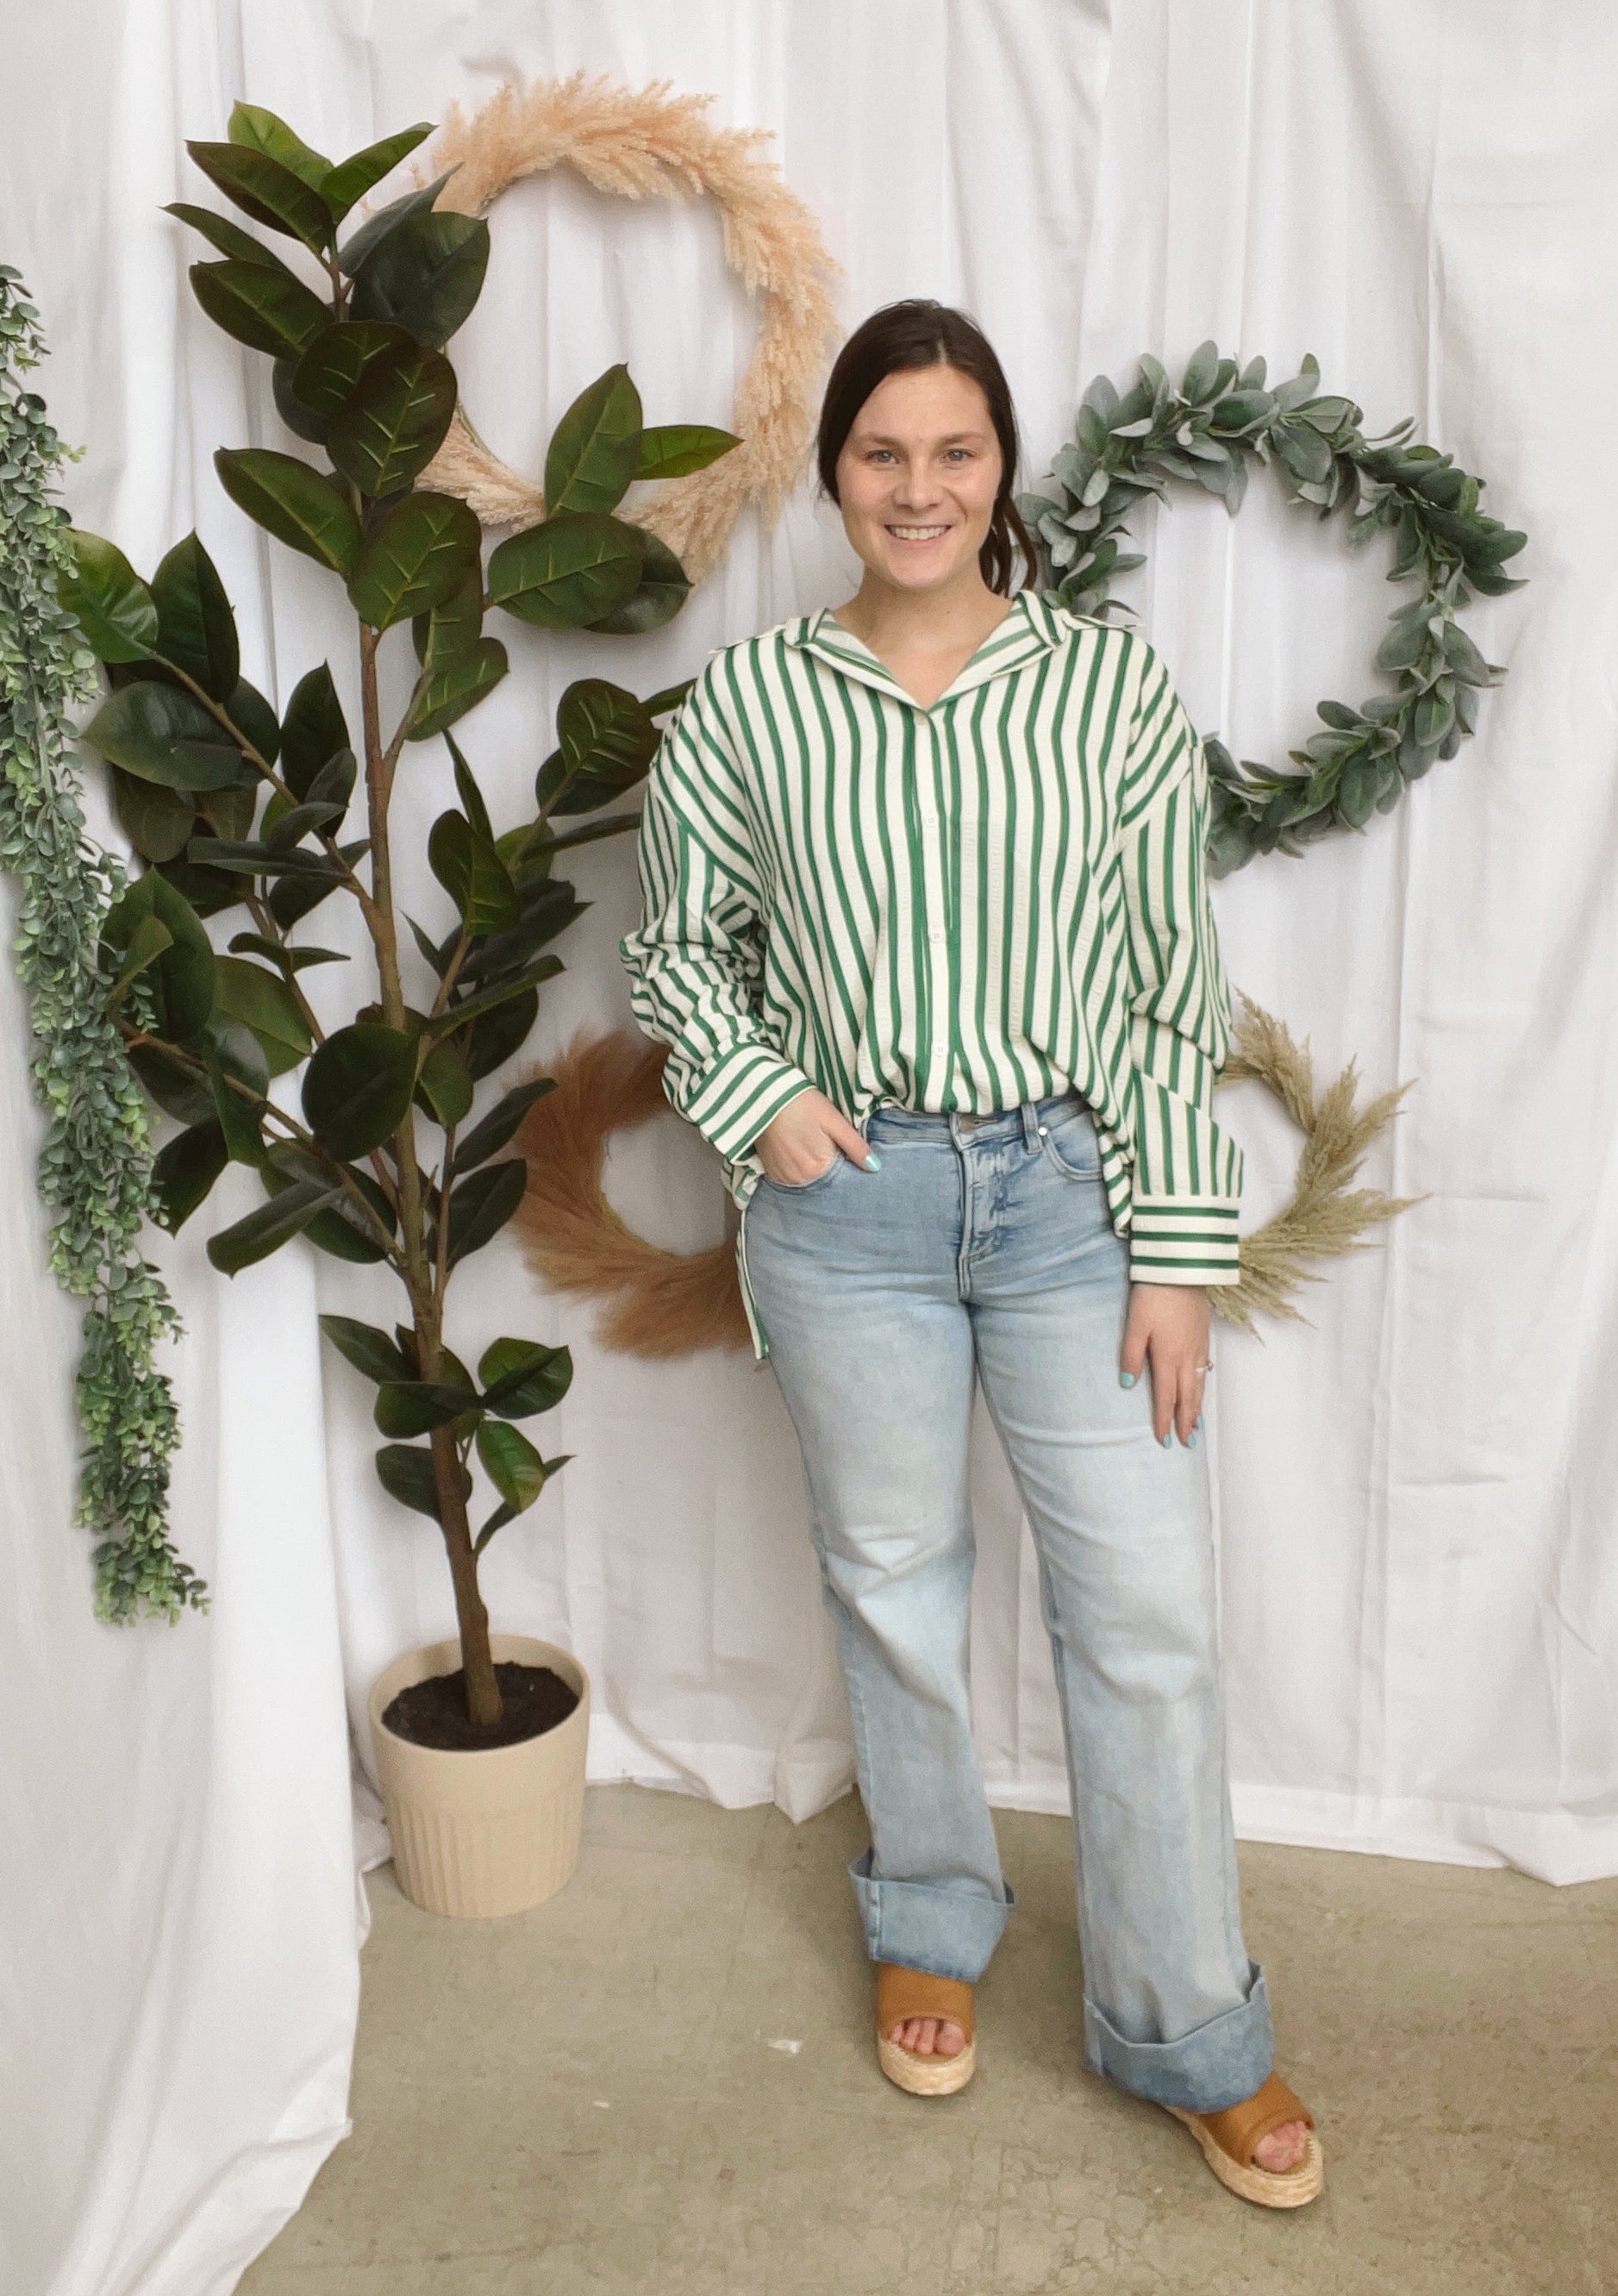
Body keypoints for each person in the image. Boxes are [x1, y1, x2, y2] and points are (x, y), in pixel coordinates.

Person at [619, 300, 1322, 2209]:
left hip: (1070, 1197)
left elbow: (1168, 991)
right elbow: (678, 954)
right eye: (879, 452)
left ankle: (1186, 2026)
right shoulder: (752, 706)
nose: (916, 487)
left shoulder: (1104, 693)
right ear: (832, 469)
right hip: (843, 1209)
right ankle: (928, 1904)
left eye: (953, 451)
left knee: (1146, 1616)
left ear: (997, 468)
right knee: (891, 1577)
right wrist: (762, 1097)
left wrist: (1176, 1248)